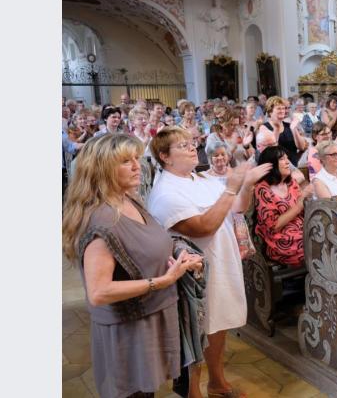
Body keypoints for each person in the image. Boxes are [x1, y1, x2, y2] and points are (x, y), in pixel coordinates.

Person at [62, 134, 204, 398]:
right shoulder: (101, 220)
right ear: (102, 170)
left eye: (137, 159)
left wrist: (180, 252)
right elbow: (99, 292)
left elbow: (153, 238)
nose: (138, 166)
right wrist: (162, 281)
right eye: (126, 161)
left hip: (150, 318)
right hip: (129, 330)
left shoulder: (127, 200)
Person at [148, 126, 270, 398]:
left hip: (221, 263)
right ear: (165, 156)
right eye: (182, 145)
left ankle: (217, 382)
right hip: (195, 274)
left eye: (192, 143)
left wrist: (246, 185)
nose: (193, 147)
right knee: (196, 332)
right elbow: (203, 226)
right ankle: (193, 392)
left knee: (218, 325)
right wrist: (230, 188)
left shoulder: (199, 179)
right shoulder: (166, 192)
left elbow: (238, 207)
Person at [254, 146, 314, 267]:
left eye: (287, 158)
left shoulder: (291, 183)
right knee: (316, 249)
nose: (287, 162)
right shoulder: (262, 189)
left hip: (301, 229)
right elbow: (274, 227)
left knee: (325, 237)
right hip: (280, 240)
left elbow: (303, 210)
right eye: (282, 159)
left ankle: (323, 281)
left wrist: (310, 198)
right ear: (270, 164)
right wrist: (300, 204)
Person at [256, 96, 307, 166]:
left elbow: (302, 147)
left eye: (283, 108)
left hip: (292, 165)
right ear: (270, 111)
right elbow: (269, 151)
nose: (282, 111)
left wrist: (294, 129)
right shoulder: (264, 127)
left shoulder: (289, 126)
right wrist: (276, 130)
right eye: (279, 108)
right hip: (275, 167)